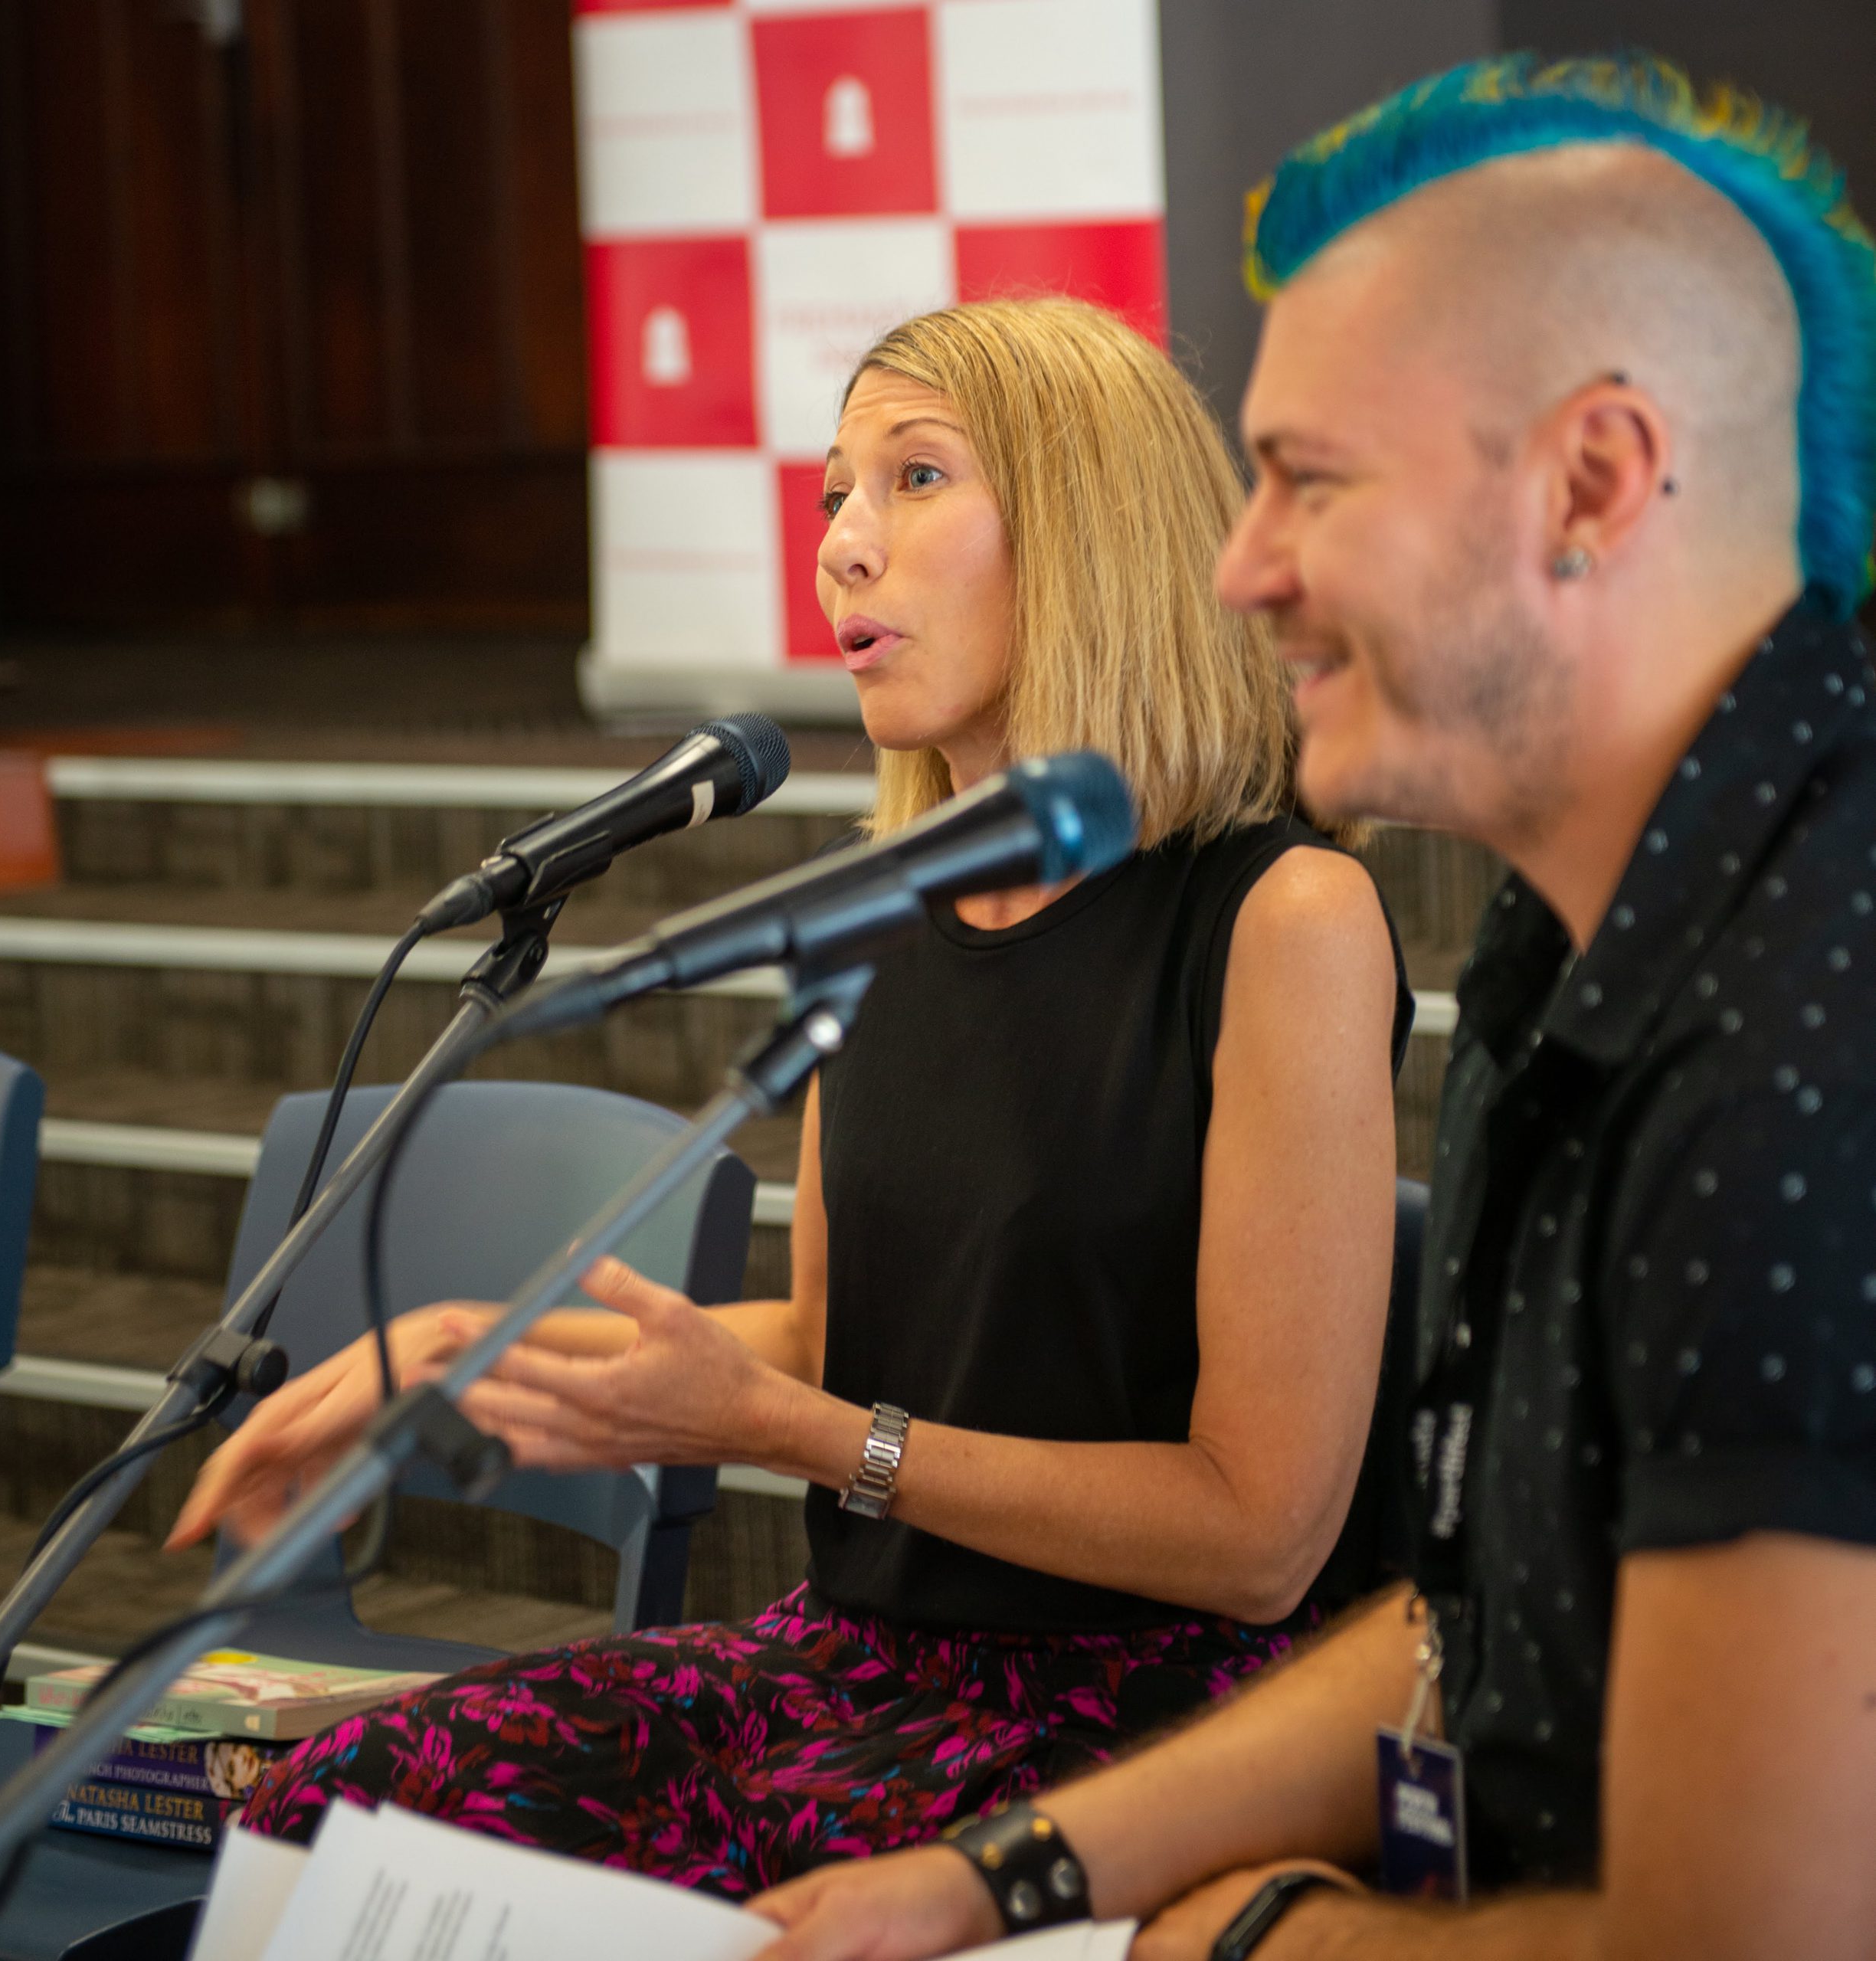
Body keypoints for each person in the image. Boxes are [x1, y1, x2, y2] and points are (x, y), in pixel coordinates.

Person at [745, 54, 1876, 1961]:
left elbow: (1742, 1938)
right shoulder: (1570, 963)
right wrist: (1000, 1878)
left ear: (1594, 481)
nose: (1241, 566)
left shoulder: (1799, 1049)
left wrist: (1264, 1938)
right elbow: (1469, 1622)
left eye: (1309, 480)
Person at [166, 297, 1409, 1894]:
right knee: (331, 1816)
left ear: (1092, 523)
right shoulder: (879, 907)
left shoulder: (1282, 915)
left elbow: (1259, 1535)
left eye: (913, 480)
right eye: (834, 494)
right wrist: (456, 1362)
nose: (842, 544)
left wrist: (797, 1432)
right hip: (860, 1661)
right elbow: (825, 1343)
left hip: (1155, 1723)